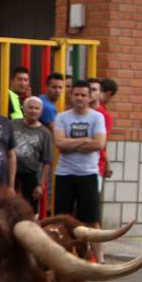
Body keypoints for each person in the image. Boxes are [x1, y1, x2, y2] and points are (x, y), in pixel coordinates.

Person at [53, 79, 108, 229]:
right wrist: (85, 140)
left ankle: (98, 253)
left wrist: (70, 144)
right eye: (76, 94)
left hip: (88, 174)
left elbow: (99, 144)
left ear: (89, 97)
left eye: (83, 95)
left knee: (91, 220)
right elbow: (59, 143)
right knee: (62, 220)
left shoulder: (97, 117)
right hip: (64, 174)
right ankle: (64, 250)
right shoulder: (61, 117)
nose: (79, 98)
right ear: (70, 96)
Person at [12, 95, 53, 212]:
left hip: (30, 175)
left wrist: (41, 185)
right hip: (11, 173)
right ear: (24, 109)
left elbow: (47, 161)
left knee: (29, 210)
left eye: (37, 108)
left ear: (41, 111)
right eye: (30, 108)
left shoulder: (45, 133)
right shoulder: (12, 125)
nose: (33, 111)